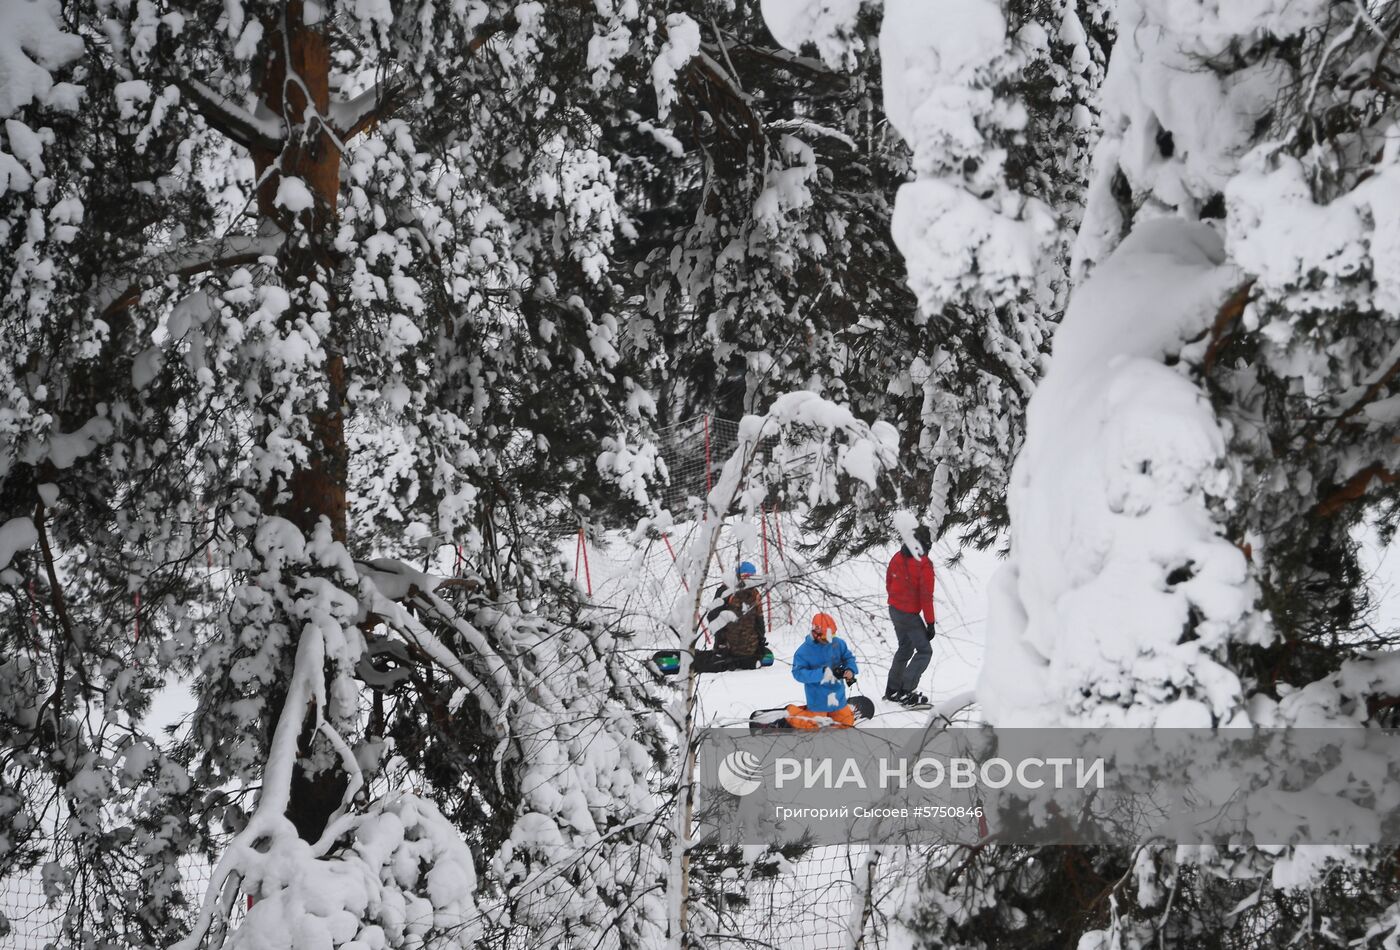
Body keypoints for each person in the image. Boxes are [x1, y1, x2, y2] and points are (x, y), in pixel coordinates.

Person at [884, 524, 935, 706]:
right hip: (909, 614)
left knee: (905, 648)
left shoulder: (898, 556)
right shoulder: (924, 565)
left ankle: (892, 690)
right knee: (924, 651)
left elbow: (889, 581)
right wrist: (930, 623)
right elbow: (926, 597)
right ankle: (906, 691)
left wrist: (897, 599)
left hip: (894, 609)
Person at [786, 612, 860, 728]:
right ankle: (790, 713)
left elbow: (848, 658)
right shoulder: (804, 651)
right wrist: (823, 674)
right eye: (827, 638)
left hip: (837, 696)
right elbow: (798, 673)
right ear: (816, 634)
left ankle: (840, 712)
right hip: (817, 698)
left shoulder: (838, 643)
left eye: (832, 636)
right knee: (814, 726)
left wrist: (850, 669)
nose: (830, 641)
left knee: (846, 723)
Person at [704, 560, 768, 670]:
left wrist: (720, 641)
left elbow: (712, 618)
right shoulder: (755, 593)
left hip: (726, 649)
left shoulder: (725, 591)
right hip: (750, 650)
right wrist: (761, 641)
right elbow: (759, 621)